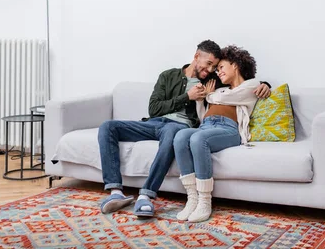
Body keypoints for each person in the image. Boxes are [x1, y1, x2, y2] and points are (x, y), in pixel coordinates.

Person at [97, 40, 270, 217]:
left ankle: (146, 195)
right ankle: (115, 192)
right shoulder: (168, 76)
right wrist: (187, 96)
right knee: (108, 127)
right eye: (209, 64)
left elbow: (242, 83)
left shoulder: (213, 80)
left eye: (216, 67)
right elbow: (154, 109)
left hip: (179, 127)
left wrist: (266, 85)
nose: (211, 71)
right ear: (196, 57)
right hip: (153, 123)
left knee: (177, 133)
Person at [173, 45, 260, 222]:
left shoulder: (251, 85)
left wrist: (208, 96)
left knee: (197, 138)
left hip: (228, 129)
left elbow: (223, 98)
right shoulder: (219, 90)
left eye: (221, 67)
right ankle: (192, 198)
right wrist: (202, 99)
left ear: (235, 65)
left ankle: (205, 200)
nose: (218, 72)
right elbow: (202, 115)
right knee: (181, 136)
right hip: (206, 126)